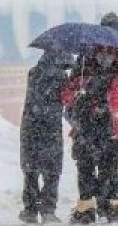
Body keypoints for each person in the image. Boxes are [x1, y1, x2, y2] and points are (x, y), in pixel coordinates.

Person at [61, 46, 118, 224]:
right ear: (95, 54)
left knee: (106, 171)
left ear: (116, 56)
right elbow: (66, 96)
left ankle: (104, 207)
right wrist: (76, 97)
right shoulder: (84, 73)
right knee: (89, 169)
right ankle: (94, 208)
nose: (105, 58)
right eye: (102, 53)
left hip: (108, 131)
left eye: (109, 54)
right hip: (88, 130)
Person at [19, 50, 74, 224]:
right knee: (52, 170)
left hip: (30, 127)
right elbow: (67, 101)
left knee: (31, 169)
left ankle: (30, 210)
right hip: (51, 128)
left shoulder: (33, 72)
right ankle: (48, 210)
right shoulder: (61, 77)